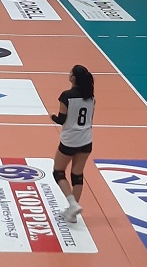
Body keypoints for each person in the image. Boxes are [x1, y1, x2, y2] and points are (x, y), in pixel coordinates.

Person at [51, 65, 95, 224]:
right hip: (86, 139)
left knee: (58, 172)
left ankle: (73, 204)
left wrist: (52, 117)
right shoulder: (91, 97)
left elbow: (61, 119)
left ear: (73, 78)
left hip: (70, 139)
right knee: (77, 174)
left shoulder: (66, 96)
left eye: (70, 72)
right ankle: (72, 213)